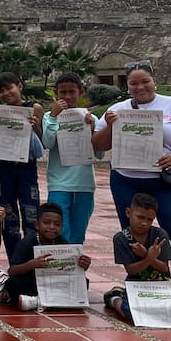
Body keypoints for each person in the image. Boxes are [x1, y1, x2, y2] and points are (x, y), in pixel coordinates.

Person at [92, 60, 171, 311]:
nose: (140, 87)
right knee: (134, 235)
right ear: (127, 85)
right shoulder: (117, 109)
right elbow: (100, 144)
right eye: (134, 83)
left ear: (154, 81)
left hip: (166, 180)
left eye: (145, 81)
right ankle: (146, 285)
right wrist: (112, 124)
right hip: (127, 180)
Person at [103, 192, 171, 321]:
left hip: (162, 285)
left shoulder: (160, 234)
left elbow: (164, 268)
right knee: (130, 314)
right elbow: (131, 270)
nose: (144, 223)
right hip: (137, 286)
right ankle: (115, 298)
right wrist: (148, 258)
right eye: (140, 217)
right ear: (128, 213)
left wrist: (146, 255)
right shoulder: (121, 238)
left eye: (149, 220)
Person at [0, 72, 44, 256]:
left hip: (26, 167)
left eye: (9, 88)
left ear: (20, 86)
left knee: (31, 214)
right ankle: (15, 262)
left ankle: (32, 262)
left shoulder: (34, 108)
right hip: (3, 168)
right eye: (1, 91)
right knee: (8, 217)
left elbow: (42, 141)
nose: (6, 93)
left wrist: (35, 127)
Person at [41, 72, 99, 244]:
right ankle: (59, 268)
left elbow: (99, 153)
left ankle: (74, 268)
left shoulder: (90, 117)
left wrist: (92, 129)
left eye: (71, 92)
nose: (67, 96)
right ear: (56, 92)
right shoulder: (48, 116)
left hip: (84, 183)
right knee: (58, 232)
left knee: (79, 232)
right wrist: (53, 117)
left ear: (80, 92)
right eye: (63, 92)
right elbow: (48, 143)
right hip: (59, 183)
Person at [6, 203, 92, 311]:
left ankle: (38, 301)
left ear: (61, 227)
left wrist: (83, 265)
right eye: (46, 222)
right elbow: (11, 271)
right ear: (37, 224)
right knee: (12, 283)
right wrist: (30, 265)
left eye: (57, 224)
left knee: (84, 282)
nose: (52, 227)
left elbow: (72, 270)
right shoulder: (27, 242)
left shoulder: (62, 242)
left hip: (56, 283)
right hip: (34, 283)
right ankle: (56, 301)